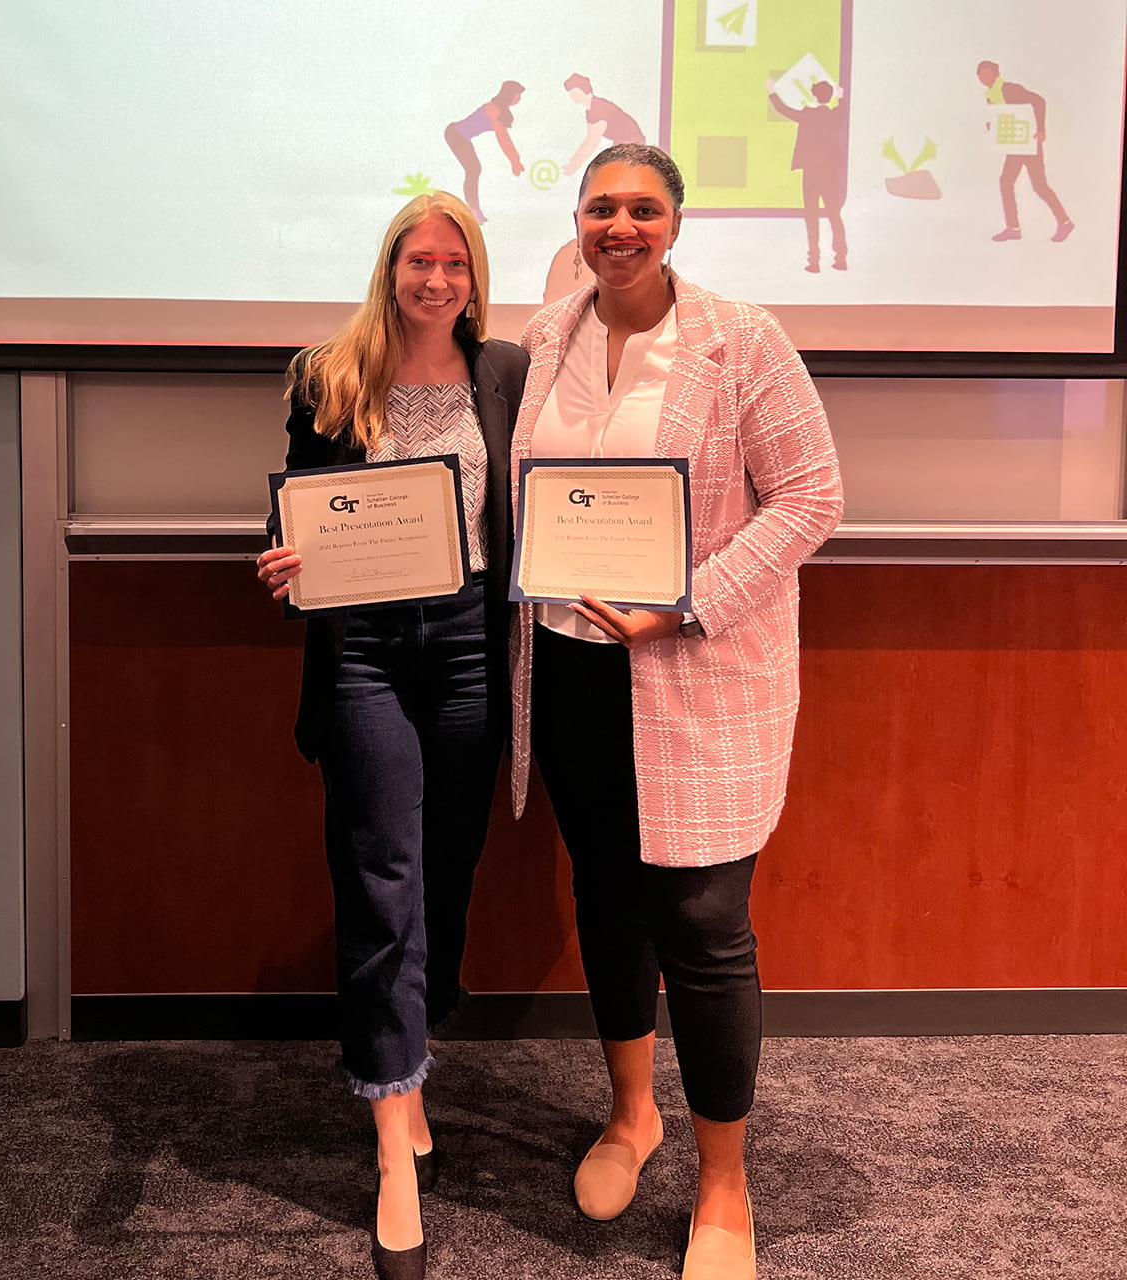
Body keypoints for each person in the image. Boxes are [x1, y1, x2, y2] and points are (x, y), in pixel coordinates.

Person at [509, 145, 842, 1279]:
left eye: (641, 207)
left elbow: (812, 497)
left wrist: (687, 604)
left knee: (701, 922)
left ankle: (720, 1184)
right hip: (568, 665)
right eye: (601, 205)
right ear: (577, 219)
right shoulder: (548, 333)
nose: (620, 224)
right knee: (603, 893)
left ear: (674, 223)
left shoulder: (739, 337)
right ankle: (629, 1113)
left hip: (693, 672)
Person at [256, 191, 527, 1280]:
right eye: (418, 260)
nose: (435, 280)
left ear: (473, 277)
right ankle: (392, 1140)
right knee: (380, 870)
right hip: (362, 646)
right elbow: (293, 517)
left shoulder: (504, 372)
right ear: (390, 267)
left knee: (446, 866)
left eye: (453, 264)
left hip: (467, 638)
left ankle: (413, 1048)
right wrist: (278, 559)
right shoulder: (328, 374)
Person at [976, 60, 1074, 243]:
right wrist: (993, 125)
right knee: (1006, 182)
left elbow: (1039, 101)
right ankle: (1013, 228)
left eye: (987, 73)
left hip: (1029, 144)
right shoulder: (990, 95)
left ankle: (1065, 222)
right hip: (1014, 146)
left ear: (996, 74)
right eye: (981, 75)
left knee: (1039, 186)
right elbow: (1005, 116)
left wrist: (1042, 128)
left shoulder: (1010, 89)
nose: (984, 78)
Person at [766, 78, 849, 272]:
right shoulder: (834, 115)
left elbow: (783, 110)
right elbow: (842, 109)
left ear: (813, 95)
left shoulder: (807, 115)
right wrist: (841, 97)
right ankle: (841, 258)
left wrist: (771, 91)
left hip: (811, 173)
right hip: (829, 173)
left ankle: (814, 262)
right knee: (834, 215)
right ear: (828, 98)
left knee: (811, 216)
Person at [444, 81, 525, 224]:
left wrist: (515, 160)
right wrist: (514, 160)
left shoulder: (500, 110)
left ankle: (474, 209)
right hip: (455, 134)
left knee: (474, 169)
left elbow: (504, 136)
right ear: (508, 95)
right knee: (474, 169)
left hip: (462, 136)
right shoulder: (492, 109)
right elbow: (502, 138)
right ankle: (472, 209)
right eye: (517, 95)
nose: (518, 99)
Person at [562, 73, 646, 176]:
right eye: (570, 93)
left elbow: (592, 142)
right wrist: (573, 162)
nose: (572, 96)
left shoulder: (598, 108)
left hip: (631, 142)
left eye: (574, 92)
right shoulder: (591, 109)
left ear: (583, 90)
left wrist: (573, 167)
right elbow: (589, 139)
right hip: (622, 142)